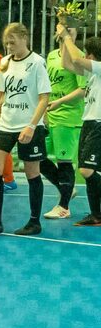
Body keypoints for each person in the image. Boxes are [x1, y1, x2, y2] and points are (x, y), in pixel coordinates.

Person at [0, 23, 51, 237]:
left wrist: (32, 126)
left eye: (12, 42)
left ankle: (34, 222)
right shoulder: (5, 62)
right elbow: (3, 96)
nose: (9, 46)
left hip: (28, 125)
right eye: (6, 43)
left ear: (24, 38)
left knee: (32, 172)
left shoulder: (37, 62)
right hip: (6, 124)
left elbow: (44, 97)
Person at [56, 23, 101, 227]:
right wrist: (66, 39)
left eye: (88, 54)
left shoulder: (100, 68)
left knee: (86, 170)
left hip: (98, 123)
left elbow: (76, 59)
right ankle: (96, 215)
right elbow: (67, 63)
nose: (86, 57)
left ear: (92, 56)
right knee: (89, 171)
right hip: (89, 122)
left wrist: (67, 36)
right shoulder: (93, 73)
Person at [39, 22, 85, 219]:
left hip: (68, 116)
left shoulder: (79, 56)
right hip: (50, 115)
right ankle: (66, 188)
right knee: (37, 157)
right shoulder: (51, 56)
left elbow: (83, 89)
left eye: (70, 29)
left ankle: (64, 207)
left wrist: (59, 102)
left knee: (64, 162)